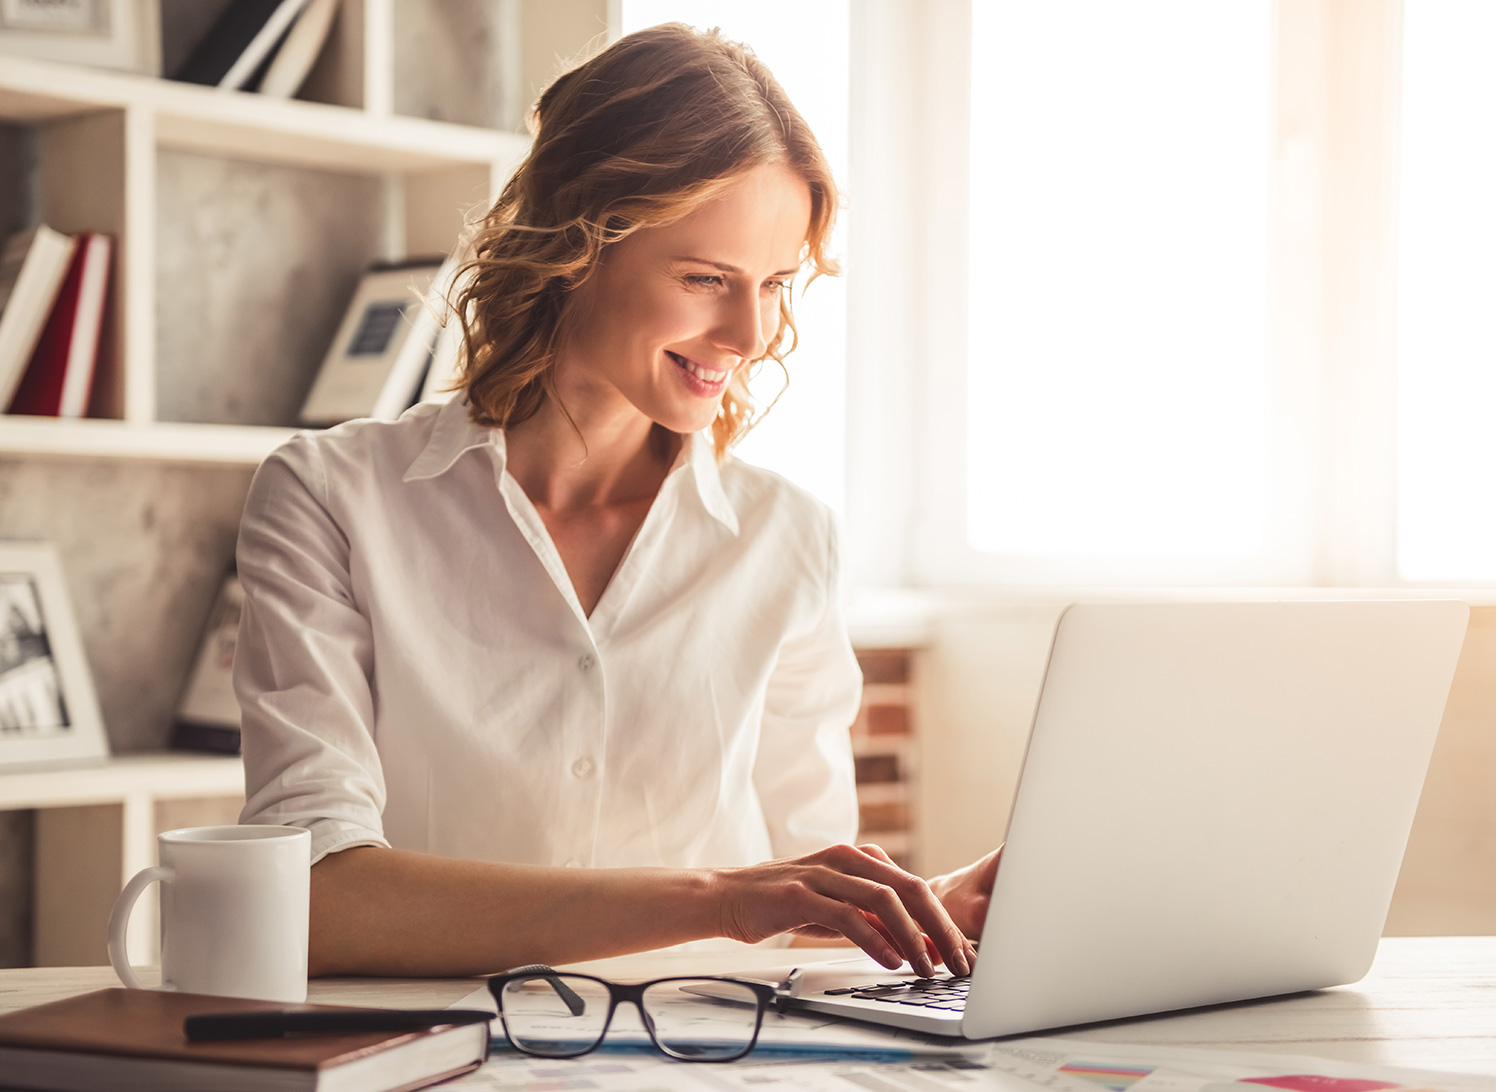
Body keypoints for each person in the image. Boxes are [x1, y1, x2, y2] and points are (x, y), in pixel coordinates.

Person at [234, 22, 1000, 980]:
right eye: (705, 278)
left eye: (774, 284)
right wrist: (718, 898)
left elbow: (800, 909)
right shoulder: (329, 500)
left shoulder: (789, 539)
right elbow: (315, 897)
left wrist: (920, 913)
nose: (752, 330)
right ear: (574, 243)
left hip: (708, 1066)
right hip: (436, 1060)